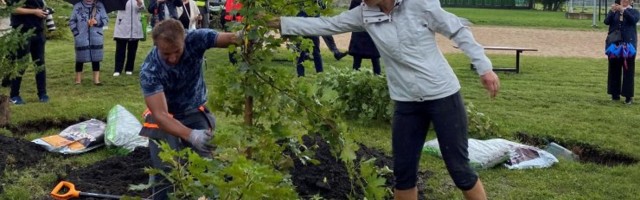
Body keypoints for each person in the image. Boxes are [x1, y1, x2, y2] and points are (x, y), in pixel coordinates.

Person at [270, 0, 500, 199]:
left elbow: (458, 30)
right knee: (403, 175)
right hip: (405, 102)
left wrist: (485, 68)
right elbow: (323, 24)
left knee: (459, 170)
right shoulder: (364, 13)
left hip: (442, 96)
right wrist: (273, 22)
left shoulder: (420, 4)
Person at [138, 19, 241, 200]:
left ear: (184, 39)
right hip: (164, 117)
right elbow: (161, 115)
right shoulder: (150, 70)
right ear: (156, 45)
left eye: (177, 51)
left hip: (194, 110)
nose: (172, 58)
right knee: (165, 172)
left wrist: (243, 37)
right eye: (166, 53)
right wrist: (192, 135)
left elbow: (229, 38)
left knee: (207, 167)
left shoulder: (196, 39)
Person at [4, 0, 50, 104]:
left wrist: (44, 12)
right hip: (22, 31)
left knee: (40, 64)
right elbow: (13, 9)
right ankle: (14, 95)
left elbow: (40, 8)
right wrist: (34, 12)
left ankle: (42, 94)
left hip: (38, 31)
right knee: (22, 64)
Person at [604, 0, 638, 104]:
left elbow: (633, 21)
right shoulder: (615, 12)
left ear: (631, 1)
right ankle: (615, 95)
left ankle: (628, 97)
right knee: (614, 69)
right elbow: (606, 21)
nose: (625, 1)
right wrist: (612, 11)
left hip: (629, 45)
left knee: (628, 70)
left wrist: (624, 11)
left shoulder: (634, 12)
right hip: (615, 44)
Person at [69, 0, 108, 85]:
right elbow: (72, 21)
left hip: (96, 36)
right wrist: (76, 33)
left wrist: (97, 22)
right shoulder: (77, 6)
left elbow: (105, 20)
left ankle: (96, 80)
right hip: (81, 37)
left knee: (96, 58)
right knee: (80, 58)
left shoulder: (100, 5)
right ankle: (78, 80)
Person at [347, 0, 381, 75]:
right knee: (358, 57)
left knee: (374, 57)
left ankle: (377, 76)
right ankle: (354, 77)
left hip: (370, 28)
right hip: (362, 29)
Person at [113, 0, 145, 77]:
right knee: (120, 50)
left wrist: (139, 3)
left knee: (132, 50)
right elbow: (116, 6)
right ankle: (118, 69)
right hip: (122, 26)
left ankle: (129, 68)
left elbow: (142, 9)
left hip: (135, 26)